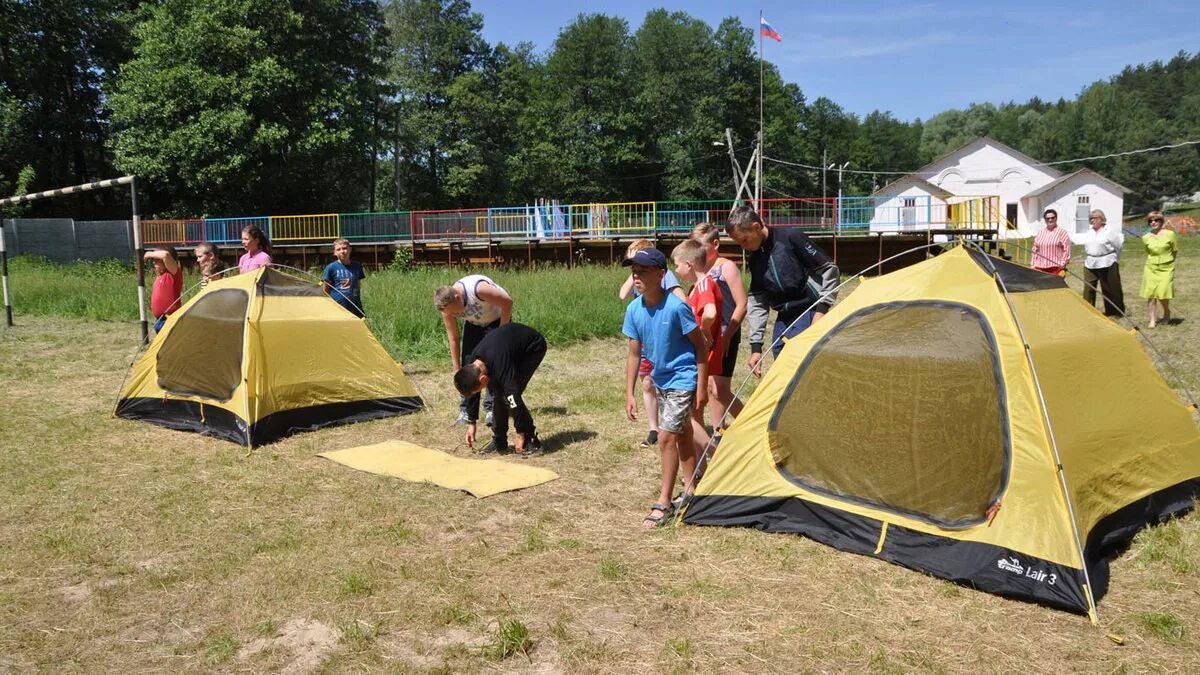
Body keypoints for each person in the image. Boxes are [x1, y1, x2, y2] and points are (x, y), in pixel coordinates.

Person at [622, 247, 709, 529]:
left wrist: (702, 387)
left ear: (662, 274)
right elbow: (635, 353)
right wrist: (629, 392)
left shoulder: (676, 307)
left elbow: (700, 345)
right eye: (634, 270)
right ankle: (692, 489)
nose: (636, 275)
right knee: (683, 434)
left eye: (643, 270)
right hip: (660, 380)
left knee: (666, 437)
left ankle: (664, 502)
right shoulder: (634, 309)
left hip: (683, 379)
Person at [725, 205, 839, 376]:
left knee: (796, 359)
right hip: (784, 316)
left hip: (809, 309)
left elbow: (829, 269)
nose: (742, 246)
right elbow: (758, 302)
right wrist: (756, 348)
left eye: (744, 240)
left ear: (756, 227)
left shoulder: (790, 237)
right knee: (780, 352)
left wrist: (821, 310)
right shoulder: (755, 258)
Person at [618, 239, 687, 448]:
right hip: (646, 342)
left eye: (639, 265)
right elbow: (623, 295)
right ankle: (653, 429)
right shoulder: (637, 288)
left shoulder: (664, 279)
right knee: (647, 384)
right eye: (633, 267)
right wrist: (634, 270)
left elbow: (681, 301)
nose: (636, 272)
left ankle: (671, 430)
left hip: (665, 346)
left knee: (664, 391)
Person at [453, 322, 547, 457]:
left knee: (506, 396)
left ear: (483, 379)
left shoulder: (499, 363)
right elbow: (472, 394)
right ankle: (499, 441)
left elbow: (513, 397)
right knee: (498, 394)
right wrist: (471, 422)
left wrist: (520, 432)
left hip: (532, 347)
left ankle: (530, 439)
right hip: (506, 348)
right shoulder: (473, 364)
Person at [435, 275, 513, 427]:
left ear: (458, 297)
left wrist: (501, 334)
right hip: (474, 325)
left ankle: (492, 408)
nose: (454, 315)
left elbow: (507, 302)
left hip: (497, 321)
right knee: (469, 365)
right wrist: (457, 368)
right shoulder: (447, 307)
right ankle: (467, 411)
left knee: (492, 364)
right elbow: (454, 338)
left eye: (455, 312)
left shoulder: (478, 289)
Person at [691, 222, 747, 431]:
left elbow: (741, 304)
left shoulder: (726, 267)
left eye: (701, 246)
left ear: (715, 244)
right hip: (706, 336)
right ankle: (718, 431)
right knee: (708, 385)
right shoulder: (700, 269)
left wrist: (727, 336)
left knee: (720, 389)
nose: (697, 251)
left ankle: (749, 426)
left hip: (725, 333)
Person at [671, 239, 721, 470]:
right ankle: (700, 465)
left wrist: (704, 332)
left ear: (689, 264)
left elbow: (709, 312)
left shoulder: (703, 285)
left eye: (677, 265)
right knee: (695, 414)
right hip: (701, 357)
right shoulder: (700, 286)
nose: (676, 270)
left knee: (688, 417)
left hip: (700, 358)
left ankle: (717, 455)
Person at [1082, 209, 1125, 317]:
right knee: (1089, 288)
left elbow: (1118, 246)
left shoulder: (1109, 231)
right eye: (1091, 218)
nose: (1092, 220)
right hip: (1091, 263)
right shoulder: (1089, 232)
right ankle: (1088, 312)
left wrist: (1115, 259)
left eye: (1095, 218)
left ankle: (1115, 312)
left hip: (1107, 261)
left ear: (1101, 219)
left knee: (1110, 288)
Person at [1140, 211, 1177, 328]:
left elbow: (1174, 250)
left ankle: (1167, 312)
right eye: (1150, 221)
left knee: (1163, 293)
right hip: (1151, 268)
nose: (1153, 222)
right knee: (1150, 294)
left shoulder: (1170, 234)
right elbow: (1148, 252)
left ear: (1161, 221)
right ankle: (1152, 319)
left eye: (1156, 220)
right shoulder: (1145, 237)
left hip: (1166, 267)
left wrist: (1169, 261)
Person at [322, 238, 367, 317]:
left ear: (350, 249)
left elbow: (358, 285)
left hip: (355, 305)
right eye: (338, 249)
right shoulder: (331, 268)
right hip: (338, 307)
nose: (342, 251)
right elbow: (325, 290)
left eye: (344, 248)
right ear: (335, 252)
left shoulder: (357, 266)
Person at [144, 246, 182, 332]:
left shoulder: (173, 273)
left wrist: (148, 254)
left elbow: (165, 255)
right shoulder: (160, 276)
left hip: (170, 318)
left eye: (157, 259)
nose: (154, 262)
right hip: (160, 319)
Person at [1031, 208, 1071, 275]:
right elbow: (1035, 249)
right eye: (1048, 218)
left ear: (1056, 218)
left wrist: (1063, 264)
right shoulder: (1040, 232)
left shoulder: (1062, 232)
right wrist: (1033, 264)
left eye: (1052, 217)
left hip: (1056, 267)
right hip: (1040, 267)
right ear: (1045, 220)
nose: (1050, 220)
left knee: (1055, 285)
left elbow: (1066, 249)